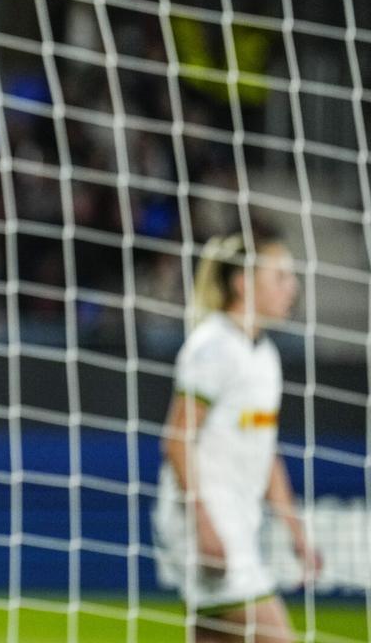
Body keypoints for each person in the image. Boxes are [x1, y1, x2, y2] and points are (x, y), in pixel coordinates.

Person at [154, 227, 320, 642]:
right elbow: (177, 439)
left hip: (237, 524)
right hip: (206, 522)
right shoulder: (212, 347)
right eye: (280, 277)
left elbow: (264, 450)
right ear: (244, 282)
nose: (292, 288)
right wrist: (205, 524)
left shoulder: (265, 356)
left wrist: (294, 529)